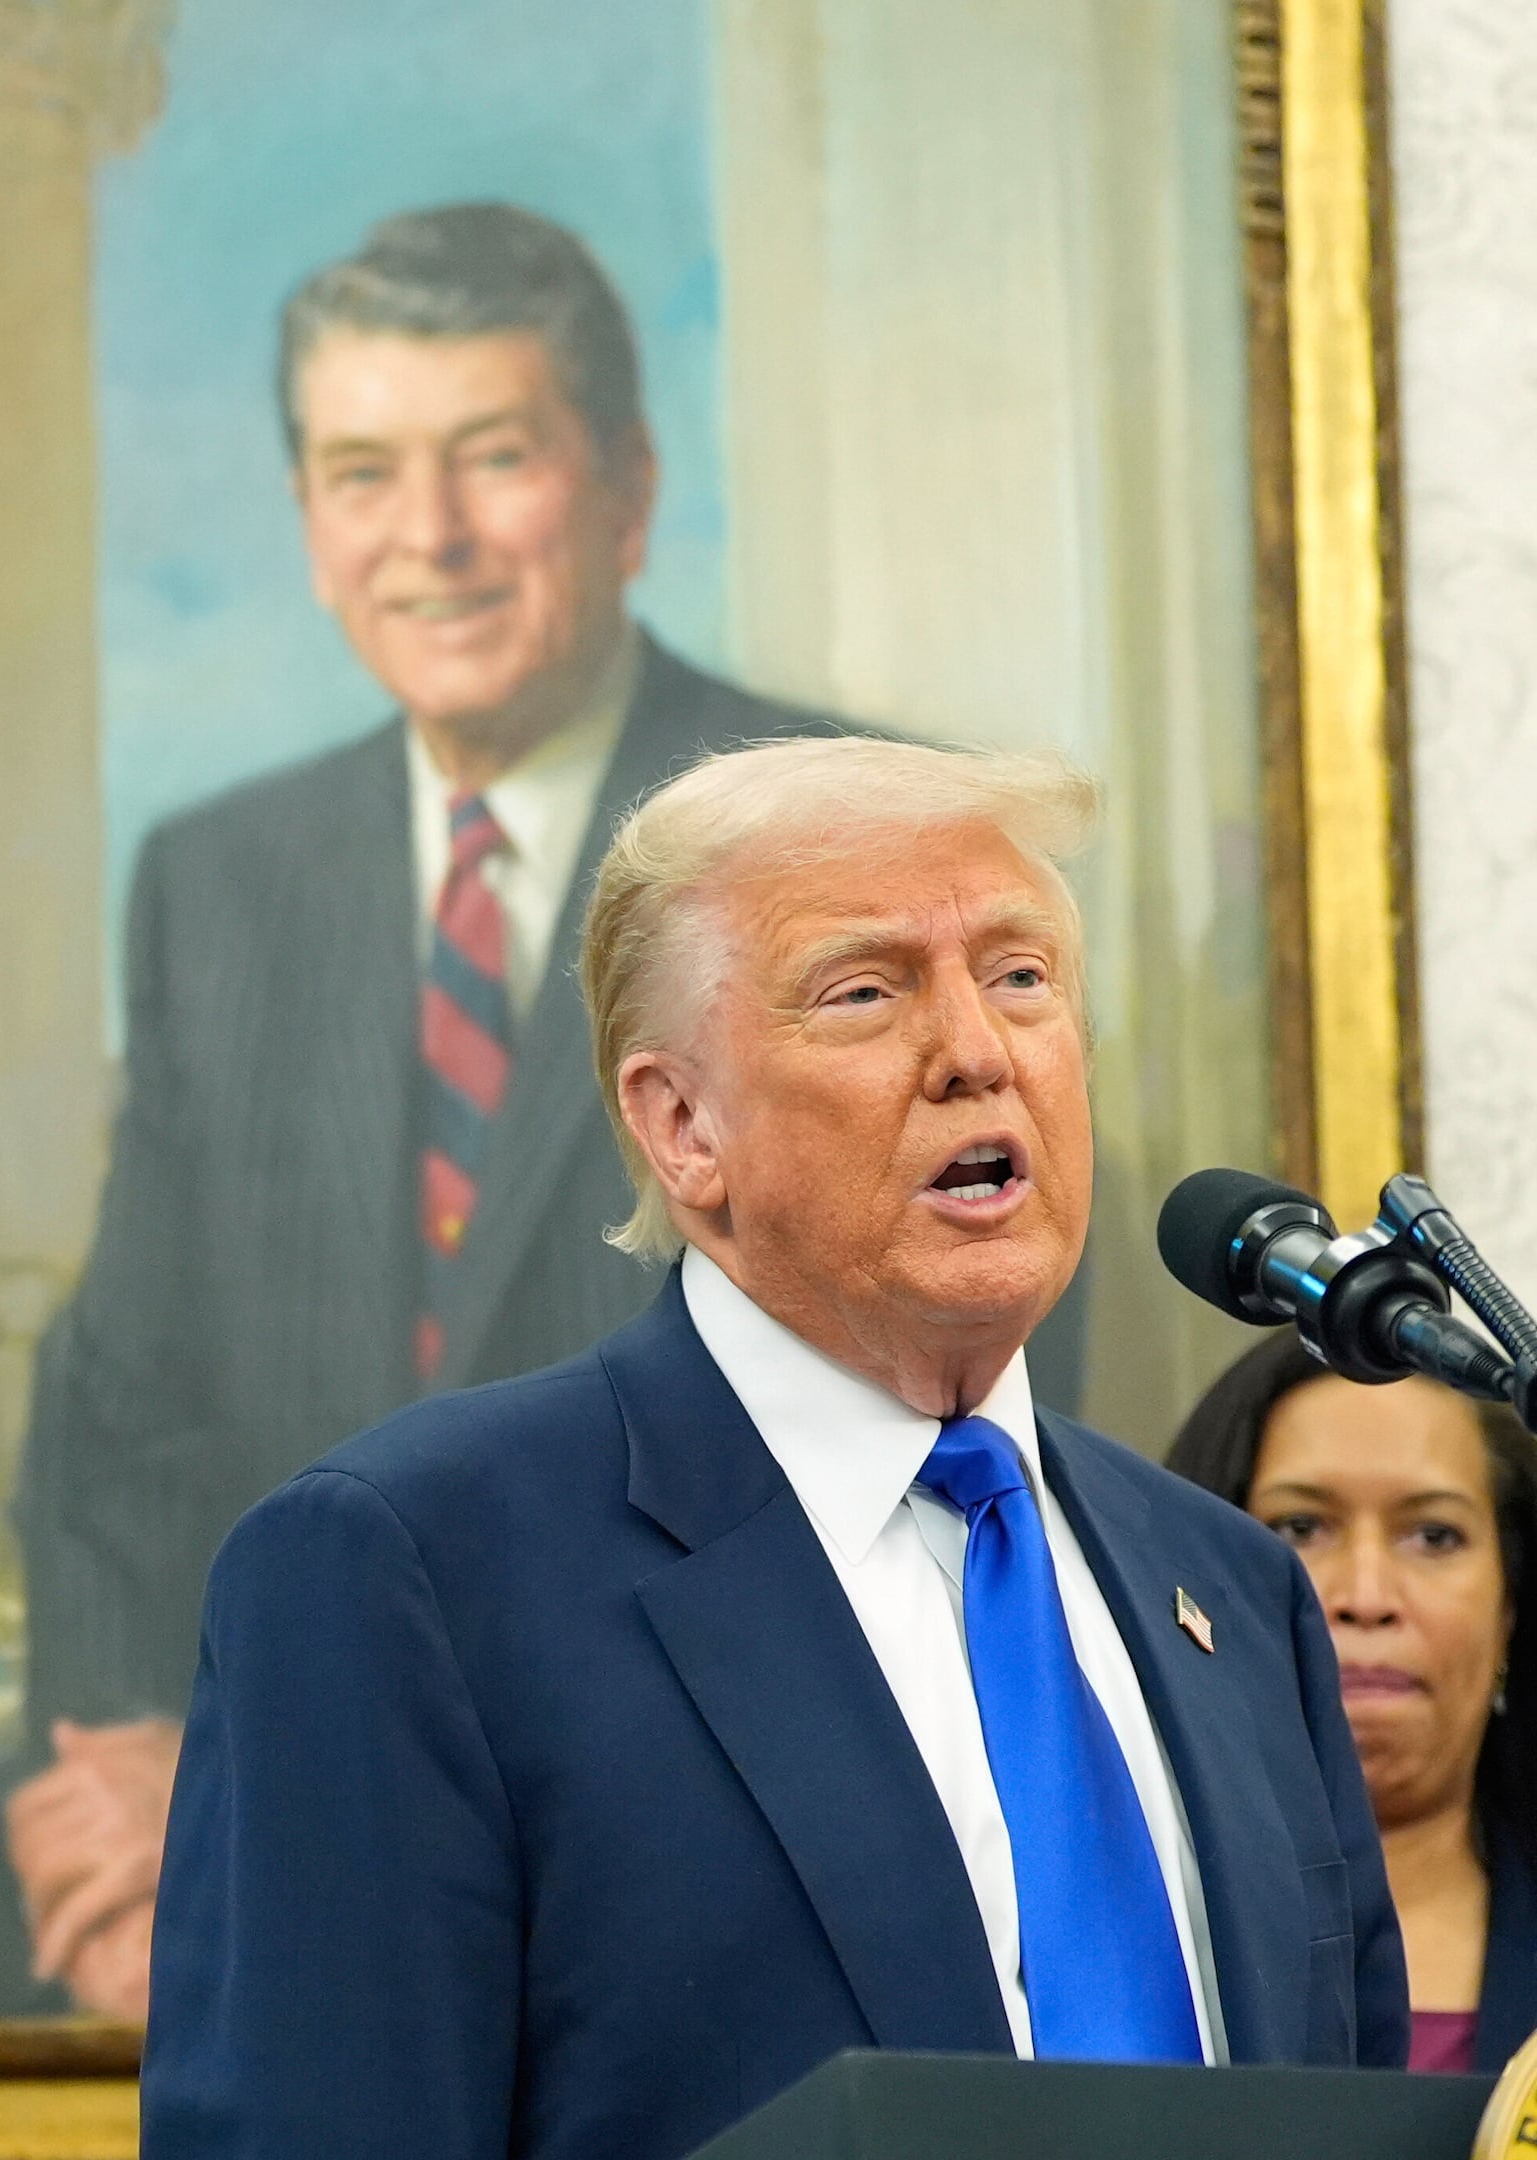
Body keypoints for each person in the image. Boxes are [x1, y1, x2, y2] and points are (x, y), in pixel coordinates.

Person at [0, 199, 889, 2022]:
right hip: (230, 1758)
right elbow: (114, 1414)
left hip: (662, 1815)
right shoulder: (221, 879)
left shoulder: (834, 847)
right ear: (311, 523)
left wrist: (335, 1819)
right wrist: (128, 1773)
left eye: (494, 458)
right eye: (365, 473)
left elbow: (885, 1452)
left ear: (625, 491)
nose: (429, 537)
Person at [145, 738, 1402, 2159]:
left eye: (1021, 976)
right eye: (865, 991)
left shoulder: (1230, 1588)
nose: (978, 1051)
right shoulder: (407, 1573)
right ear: (684, 1126)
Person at [1168, 1334, 1537, 2074]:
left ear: (1509, 1606)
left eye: (1433, 1535)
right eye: (1301, 1528)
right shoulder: (1103, 1927)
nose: (1365, 1597)